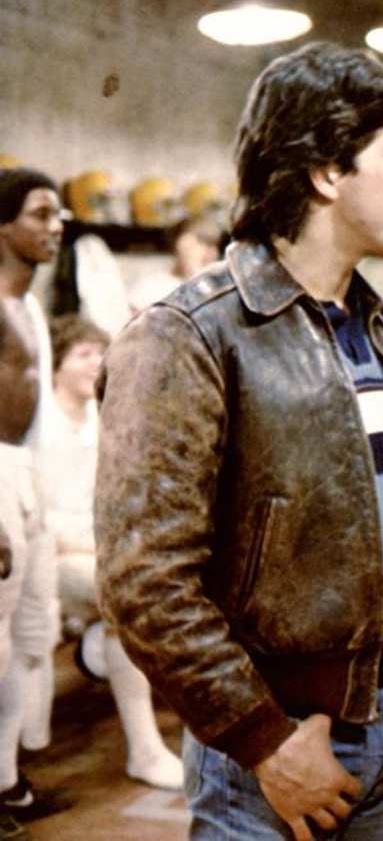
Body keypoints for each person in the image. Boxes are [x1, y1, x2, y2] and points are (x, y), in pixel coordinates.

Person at [95, 42, 383, 841]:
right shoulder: (190, 335)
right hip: (276, 751)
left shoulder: (382, 330)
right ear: (328, 171)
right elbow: (144, 579)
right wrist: (262, 741)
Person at [28, 315, 184, 790]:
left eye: (100, 353)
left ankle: (99, 648)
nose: (95, 363)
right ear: (57, 364)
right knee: (124, 592)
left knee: (159, 581)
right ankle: (145, 750)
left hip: (99, 549)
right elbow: (35, 512)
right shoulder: (38, 421)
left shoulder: (100, 418)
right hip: (49, 555)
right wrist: (97, 547)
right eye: (83, 355)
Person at [0, 168, 64, 840]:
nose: (57, 226)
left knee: (30, 637)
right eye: (42, 214)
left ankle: (5, 777)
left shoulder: (32, 309)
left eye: (59, 214)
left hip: (29, 480)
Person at [127, 213, 225, 312]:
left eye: (216, 245)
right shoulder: (150, 288)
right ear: (180, 243)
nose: (212, 253)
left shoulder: (218, 294)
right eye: (204, 242)